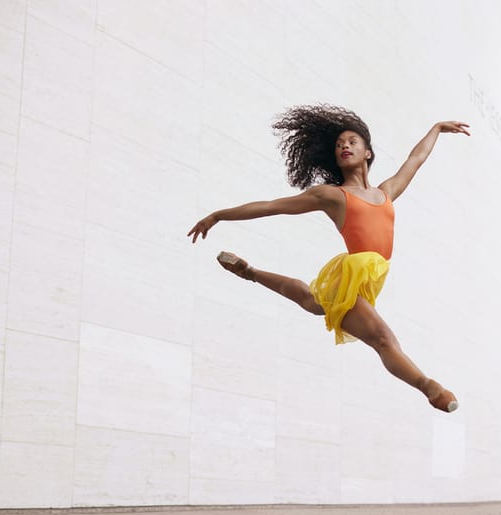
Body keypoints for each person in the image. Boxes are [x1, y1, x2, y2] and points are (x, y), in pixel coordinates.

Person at [187, 104, 470, 413]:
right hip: (351, 272)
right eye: (338, 145)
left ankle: (250, 272)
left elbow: (415, 160)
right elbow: (273, 205)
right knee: (381, 338)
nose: (344, 146)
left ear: (368, 153)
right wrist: (219, 215)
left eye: (351, 141)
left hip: (371, 278)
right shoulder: (333, 196)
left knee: (313, 302)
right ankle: (428, 387)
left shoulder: (386, 192)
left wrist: (436, 129)